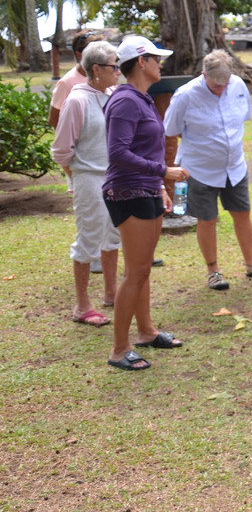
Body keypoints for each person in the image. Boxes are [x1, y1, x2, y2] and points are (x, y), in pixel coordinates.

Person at [104, 36, 189, 371]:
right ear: (141, 62)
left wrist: (159, 185)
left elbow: (145, 148)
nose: (160, 64)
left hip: (147, 190)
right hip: (129, 192)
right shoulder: (126, 100)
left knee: (142, 269)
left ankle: (146, 331)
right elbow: (118, 153)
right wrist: (163, 172)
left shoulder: (142, 98)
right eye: (156, 58)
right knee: (136, 271)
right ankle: (118, 348)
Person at [163, 50, 252, 292]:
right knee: (207, 219)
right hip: (199, 169)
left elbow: (240, 119)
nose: (220, 89)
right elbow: (171, 129)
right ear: (203, 75)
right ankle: (213, 270)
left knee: (242, 213)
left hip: (234, 166)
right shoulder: (185, 95)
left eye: (224, 84)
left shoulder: (238, 86)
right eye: (214, 85)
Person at [51, 40, 121, 328]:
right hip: (89, 179)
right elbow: (61, 149)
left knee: (113, 236)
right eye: (113, 66)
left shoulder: (112, 95)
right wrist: (77, 174)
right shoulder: (77, 100)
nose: (118, 71)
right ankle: (82, 305)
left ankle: (110, 293)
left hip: (114, 178)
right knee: (88, 239)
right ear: (96, 69)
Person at [49, 31, 102, 129]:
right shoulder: (66, 83)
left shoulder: (104, 76)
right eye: (92, 52)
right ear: (79, 55)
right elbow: (54, 119)